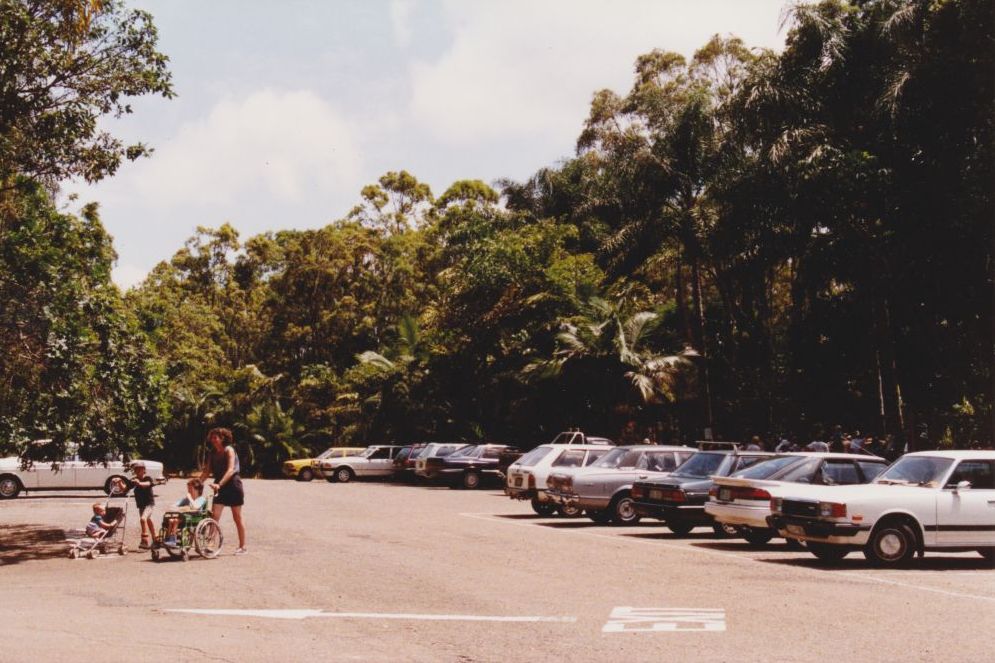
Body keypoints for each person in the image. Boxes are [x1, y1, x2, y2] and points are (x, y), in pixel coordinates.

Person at [201, 427, 246, 555]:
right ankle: (210, 544)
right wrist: (198, 483)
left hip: (233, 484)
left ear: (222, 438)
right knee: (215, 516)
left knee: (237, 517)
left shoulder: (229, 450)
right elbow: (206, 471)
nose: (213, 440)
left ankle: (242, 547)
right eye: (212, 437)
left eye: (216, 437)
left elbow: (231, 470)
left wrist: (219, 484)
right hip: (219, 486)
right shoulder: (212, 453)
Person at [116, 462, 156, 549]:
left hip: (149, 504)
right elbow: (124, 489)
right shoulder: (134, 480)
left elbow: (147, 484)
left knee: (143, 519)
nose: (137, 471)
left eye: (140, 469)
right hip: (141, 505)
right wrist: (119, 482)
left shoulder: (147, 478)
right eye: (136, 469)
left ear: (144, 470)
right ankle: (155, 538)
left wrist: (139, 483)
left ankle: (144, 540)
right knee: (148, 520)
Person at [161, 478, 207, 546]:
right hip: (185, 518)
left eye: (190, 489)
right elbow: (175, 505)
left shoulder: (201, 499)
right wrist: (175, 508)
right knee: (171, 520)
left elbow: (196, 507)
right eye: (188, 489)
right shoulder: (187, 499)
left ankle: (173, 539)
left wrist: (190, 499)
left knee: (176, 520)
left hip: (195, 519)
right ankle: (168, 539)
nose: (189, 491)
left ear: (197, 490)